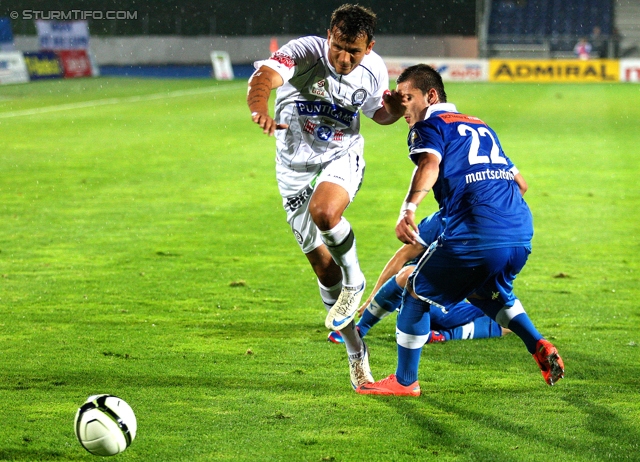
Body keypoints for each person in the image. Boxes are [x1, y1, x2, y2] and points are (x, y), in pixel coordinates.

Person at [356, 64, 564, 396]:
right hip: (520, 230)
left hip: (477, 233)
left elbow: (429, 165)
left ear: (431, 95)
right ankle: (536, 342)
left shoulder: (428, 126)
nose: (404, 105)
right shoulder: (479, 124)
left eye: (409, 97)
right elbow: (520, 184)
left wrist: (408, 208)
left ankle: (405, 381)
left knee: (414, 284)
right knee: (484, 291)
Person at [247, 4, 405, 390]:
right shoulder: (304, 52)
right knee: (322, 268)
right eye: (338, 46)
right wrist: (259, 109)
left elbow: (377, 115)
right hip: (293, 169)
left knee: (325, 212)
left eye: (354, 50)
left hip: (340, 155)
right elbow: (263, 77)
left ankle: (356, 281)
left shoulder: (373, 69)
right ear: (329, 34)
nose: (344, 58)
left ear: (369, 47)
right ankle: (356, 351)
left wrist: (395, 111)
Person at [326, 210, 513, 345]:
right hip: (420, 297)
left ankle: (442, 336)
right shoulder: (443, 220)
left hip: (446, 305)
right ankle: (360, 329)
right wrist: (372, 298)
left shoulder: (469, 223)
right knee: (409, 274)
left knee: (508, 321)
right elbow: (401, 258)